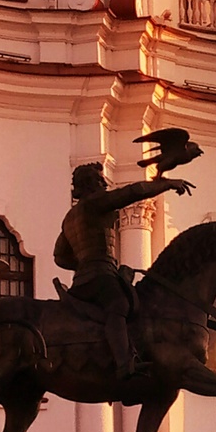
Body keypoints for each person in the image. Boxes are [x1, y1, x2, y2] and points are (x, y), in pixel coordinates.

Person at [53, 160, 193, 387]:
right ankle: (125, 364)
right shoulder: (96, 203)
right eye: (100, 180)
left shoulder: (70, 217)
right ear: (92, 183)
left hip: (83, 281)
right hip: (100, 276)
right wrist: (166, 184)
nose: (104, 185)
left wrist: (82, 264)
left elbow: (59, 256)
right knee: (119, 305)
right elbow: (132, 192)